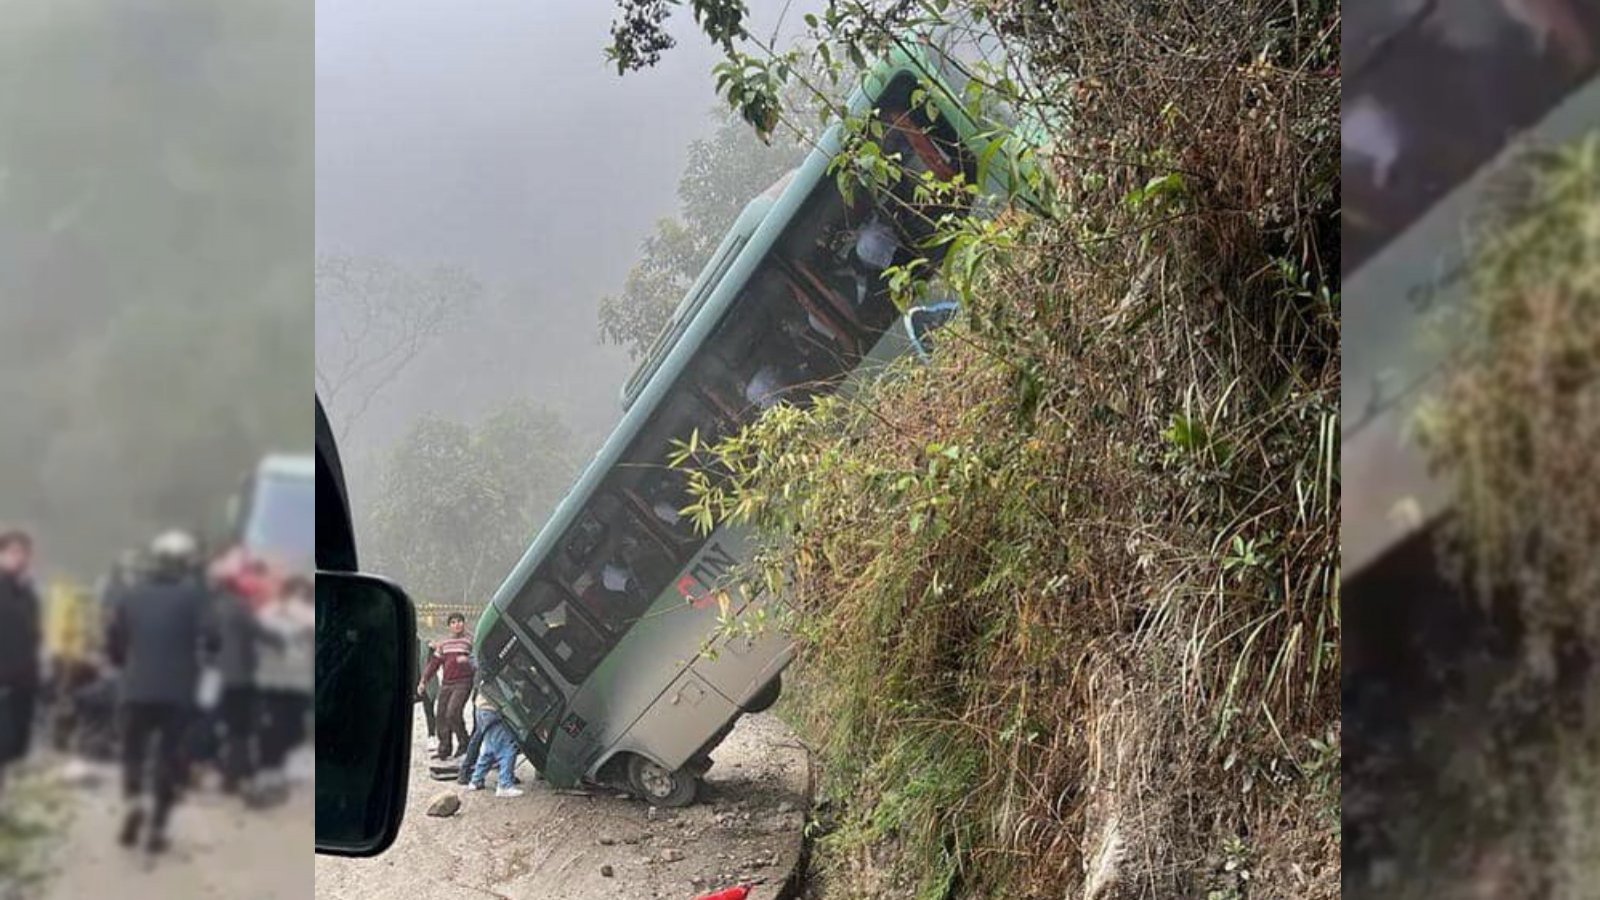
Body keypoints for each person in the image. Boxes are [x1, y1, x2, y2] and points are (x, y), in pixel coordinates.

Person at [106, 530, 217, 855]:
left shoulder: (130, 594)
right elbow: (212, 638)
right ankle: (157, 826)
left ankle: (134, 798)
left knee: (132, 751)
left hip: (135, 687)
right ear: (186, 563)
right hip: (179, 692)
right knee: (171, 757)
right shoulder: (196, 595)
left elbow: (113, 641)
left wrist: (125, 661)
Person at [253, 576, 314, 806]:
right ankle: (268, 779)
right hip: (275, 686)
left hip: (294, 687)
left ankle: (275, 778)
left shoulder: (303, 615)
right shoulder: (269, 616)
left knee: (291, 732)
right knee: (274, 733)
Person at [0, 529, 41, 803]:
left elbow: (34, 636)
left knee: (12, 748)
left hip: (22, 683)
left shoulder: (28, 595)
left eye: (24, 553)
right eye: (14, 552)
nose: (21, 559)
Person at [419, 613, 474, 760]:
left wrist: (467, 659)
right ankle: (444, 749)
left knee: (453, 712)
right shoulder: (444, 643)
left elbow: (478, 659)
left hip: (463, 682)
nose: (457, 625)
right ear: (449, 626)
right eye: (454, 622)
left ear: (464, 623)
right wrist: (423, 680)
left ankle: (464, 744)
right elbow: (434, 664)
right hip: (446, 683)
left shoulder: (470, 641)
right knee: (441, 716)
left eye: (460, 621)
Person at [466, 689, 523, 798]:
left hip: (481, 709)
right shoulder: (506, 674)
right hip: (493, 710)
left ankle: (476, 780)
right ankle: (504, 785)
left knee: (489, 748)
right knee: (508, 748)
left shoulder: (487, 674)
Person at [417, 636, 439, 753]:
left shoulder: (426, 645)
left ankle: (431, 735)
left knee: (429, 710)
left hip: (426, 682)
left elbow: (438, 658)